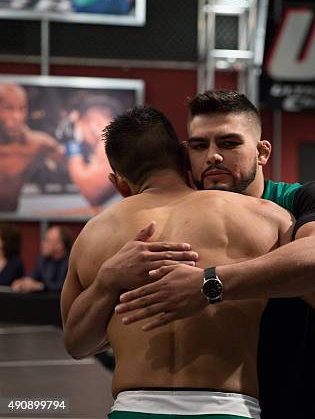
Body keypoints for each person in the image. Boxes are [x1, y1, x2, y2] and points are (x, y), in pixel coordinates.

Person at [105, 90, 315, 418]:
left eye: (229, 144)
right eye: (200, 146)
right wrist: (106, 279)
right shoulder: (171, 219)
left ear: (261, 152)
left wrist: (210, 283)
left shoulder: (302, 200)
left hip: (302, 400)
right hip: (220, 406)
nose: (213, 156)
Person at [61, 105, 295, 418]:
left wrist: (107, 283)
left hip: (134, 409)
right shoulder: (265, 217)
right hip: (228, 409)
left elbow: (77, 345)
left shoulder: (93, 234)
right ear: (184, 158)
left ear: (117, 183)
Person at [0, 83, 63, 212]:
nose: (17, 117)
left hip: (12, 219)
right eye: (8, 108)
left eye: (22, 109)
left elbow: (64, 158)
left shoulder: (38, 143)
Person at [63, 95, 123, 207]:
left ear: (94, 121)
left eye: (80, 125)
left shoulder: (109, 144)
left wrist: (74, 144)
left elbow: (92, 193)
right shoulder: (118, 141)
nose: (84, 140)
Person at [11, 225, 72, 293]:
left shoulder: (70, 263)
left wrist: (41, 286)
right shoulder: (42, 260)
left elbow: (62, 287)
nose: (42, 243)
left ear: (60, 245)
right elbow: (33, 279)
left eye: (47, 241)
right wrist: (23, 283)